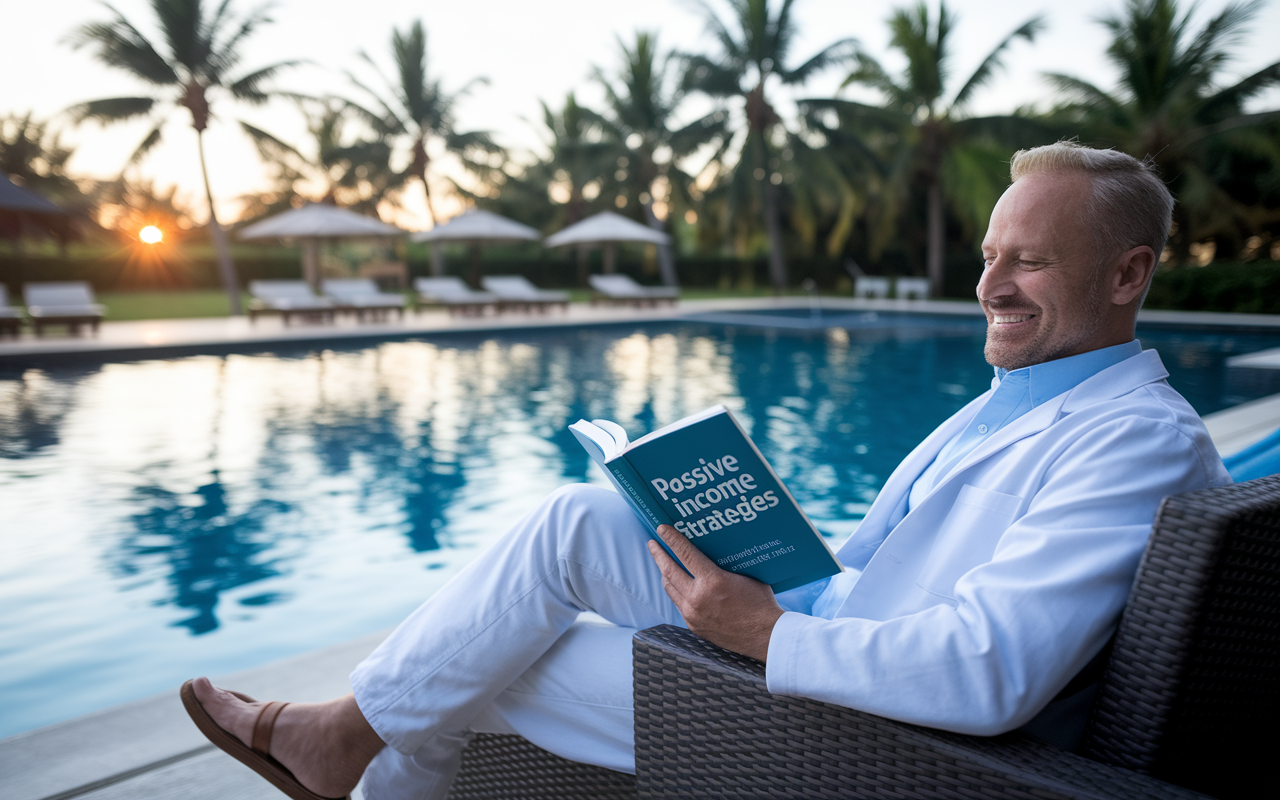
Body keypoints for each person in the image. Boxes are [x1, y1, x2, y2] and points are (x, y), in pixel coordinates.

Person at [182, 141, 1231, 800]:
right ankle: (336, 740)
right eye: (990, 255)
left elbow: (989, 669)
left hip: (887, 732)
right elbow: (904, 567)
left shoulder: (1133, 438)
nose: (989, 284)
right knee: (575, 522)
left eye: (1027, 261)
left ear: (1127, 273)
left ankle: (335, 744)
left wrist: (766, 630)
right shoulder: (1023, 398)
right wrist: (761, 540)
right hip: (844, 640)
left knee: (479, 661)